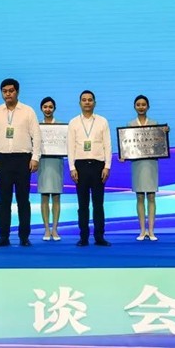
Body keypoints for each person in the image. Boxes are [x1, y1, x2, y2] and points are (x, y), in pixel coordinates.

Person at [0, 78, 41, 247]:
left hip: (23, 160)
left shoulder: (28, 111)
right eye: (4, 91)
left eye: (11, 91)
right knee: (4, 201)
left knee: (23, 200)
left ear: (17, 92)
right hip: (3, 160)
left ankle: (24, 237)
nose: (8, 94)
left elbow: (36, 136)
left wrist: (35, 157)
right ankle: (4, 237)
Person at [67, 90, 112, 247]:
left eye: (90, 100)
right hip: (80, 166)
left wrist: (107, 166)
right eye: (84, 100)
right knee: (83, 205)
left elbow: (107, 145)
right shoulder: (73, 122)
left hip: (98, 166)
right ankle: (84, 237)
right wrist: (72, 167)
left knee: (98, 204)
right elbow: (70, 146)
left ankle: (99, 237)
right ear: (80, 103)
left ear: (95, 103)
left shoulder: (102, 121)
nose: (87, 102)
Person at [122, 95, 169, 241]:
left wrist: (164, 133)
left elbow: (159, 144)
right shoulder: (130, 125)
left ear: (148, 107)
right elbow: (127, 145)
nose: (141, 107)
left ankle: (152, 231)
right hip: (137, 164)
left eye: (143, 104)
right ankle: (142, 231)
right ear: (134, 107)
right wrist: (124, 155)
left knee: (151, 197)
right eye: (138, 104)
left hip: (151, 163)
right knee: (140, 197)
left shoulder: (155, 124)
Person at [38, 96, 64, 241]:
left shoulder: (61, 126)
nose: (48, 109)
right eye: (45, 107)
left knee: (56, 197)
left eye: (50, 107)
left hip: (56, 162)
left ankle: (55, 229)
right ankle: (46, 229)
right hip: (43, 163)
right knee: (44, 196)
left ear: (54, 109)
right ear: (41, 109)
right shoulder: (37, 126)